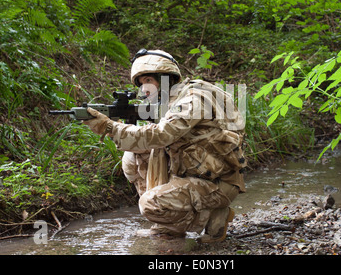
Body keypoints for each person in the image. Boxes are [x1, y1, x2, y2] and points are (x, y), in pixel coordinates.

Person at [83, 49, 246, 243]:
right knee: (133, 156)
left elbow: (161, 134)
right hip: (195, 173)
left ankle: (215, 217)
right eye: (141, 83)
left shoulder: (193, 98)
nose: (144, 89)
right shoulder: (174, 99)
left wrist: (109, 127)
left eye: (149, 81)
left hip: (218, 182)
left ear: (165, 76)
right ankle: (167, 227)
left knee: (150, 205)